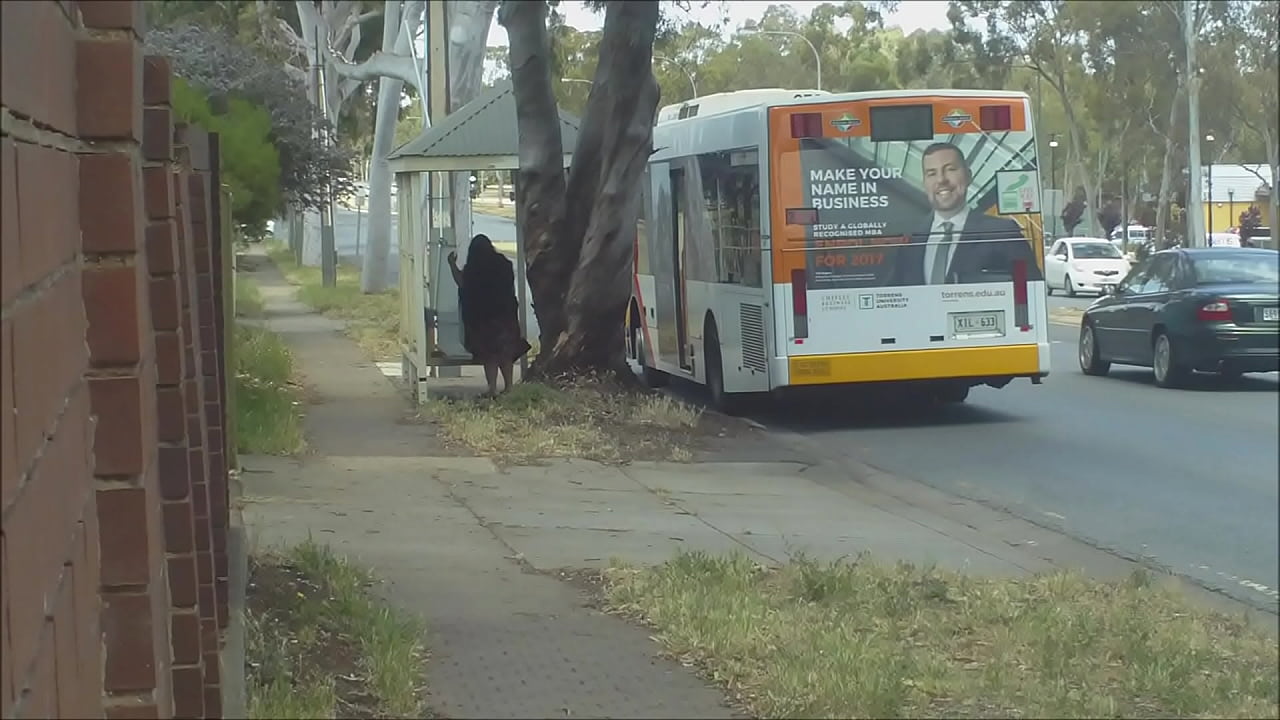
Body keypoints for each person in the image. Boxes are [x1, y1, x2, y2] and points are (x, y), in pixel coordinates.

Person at [889, 141, 1043, 286]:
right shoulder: (908, 241)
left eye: (950, 169)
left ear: (969, 176)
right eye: (931, 173)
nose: (941, 179)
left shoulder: (1003, 233)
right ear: (925, 183)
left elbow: (1028, 289)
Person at [448, 234, 531, 397]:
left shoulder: (473, 268)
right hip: (505, 315)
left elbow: (462, 283)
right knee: (505, 354)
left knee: (489, 356)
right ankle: (508, 387)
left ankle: (492, 388)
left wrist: (452, 264)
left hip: (482, 319)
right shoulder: (504, 265)